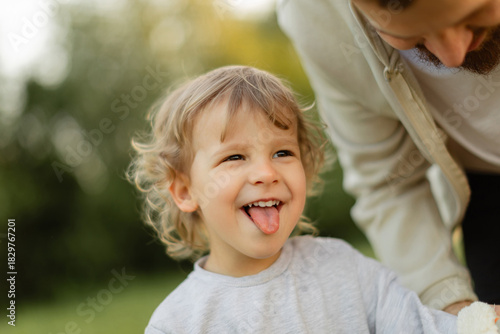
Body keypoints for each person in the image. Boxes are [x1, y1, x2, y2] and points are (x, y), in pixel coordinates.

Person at [127, 65, 494, 333]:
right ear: (185, 191)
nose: (266, 173)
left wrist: (483, 324)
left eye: (282, 153)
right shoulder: (178, 322)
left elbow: (422, 326)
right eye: (234, 157)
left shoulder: (343, 268)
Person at [277, 0, 500, 315]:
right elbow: (389, 183)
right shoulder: (316, 16)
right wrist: (451, 307)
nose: (452, 56)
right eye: (415, 38)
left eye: (472, 16)